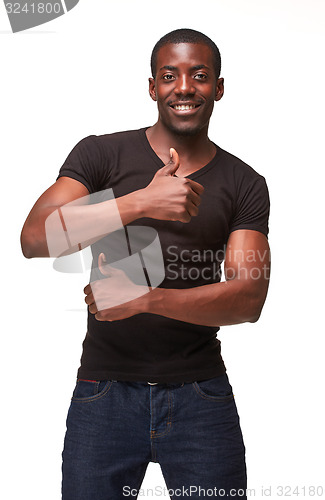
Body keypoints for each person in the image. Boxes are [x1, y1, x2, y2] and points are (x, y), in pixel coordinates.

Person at [21, 28, 270, 500]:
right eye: (169, 75)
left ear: (218, 88)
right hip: (103, 393)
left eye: (199, 75)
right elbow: (35, 238)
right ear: (152, 87)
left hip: (201, 396)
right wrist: (140, 202)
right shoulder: (101, 153)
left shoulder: (245, 183)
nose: (184, 86)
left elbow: (248, 297)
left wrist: (145, 299)